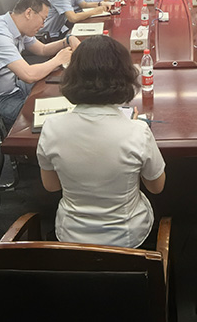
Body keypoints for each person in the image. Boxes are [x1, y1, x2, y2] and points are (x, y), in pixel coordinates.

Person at [37, 35, 166, 248]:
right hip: (128, 238)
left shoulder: (51, 127)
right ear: (125, 77)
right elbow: (156, 187)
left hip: (71, 237)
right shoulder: (137, 131)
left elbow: (51, 186)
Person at [0, 0, 79, 130]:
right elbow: (28, 75)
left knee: (58, 89)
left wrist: (67, 41)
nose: (43, 25)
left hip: (11, 88)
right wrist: (58, 59)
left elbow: (42, 49)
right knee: (49, 115)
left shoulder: (16, 25)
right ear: (29, 13)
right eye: (43, 19)